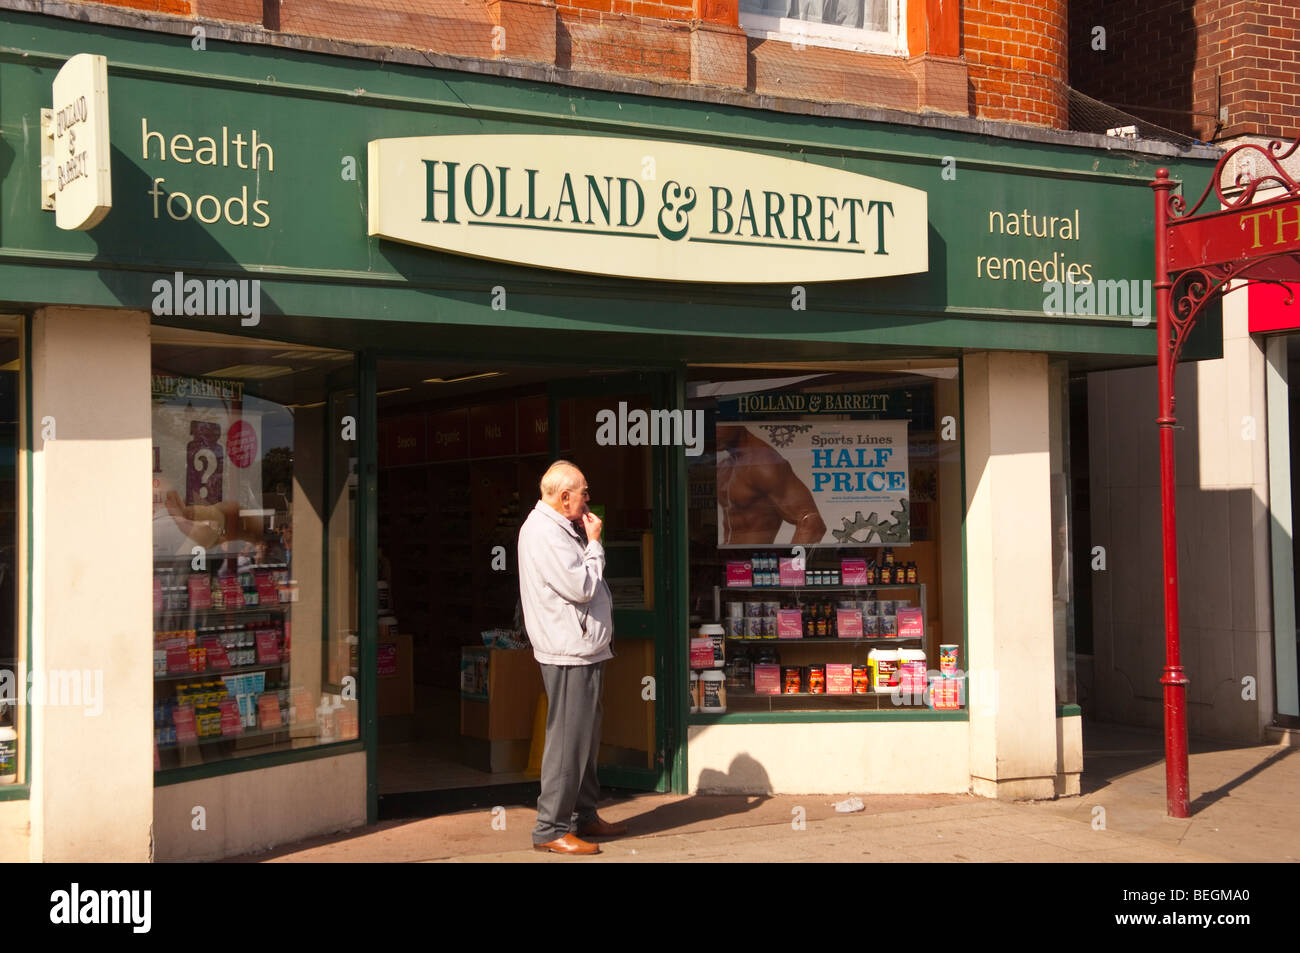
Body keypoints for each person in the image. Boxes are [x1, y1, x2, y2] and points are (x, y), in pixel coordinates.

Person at [517, 460, 626, 855]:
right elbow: (581, 587)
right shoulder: (545, 532)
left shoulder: (559, 527)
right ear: (565, 498)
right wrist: (595, 542)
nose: (587, 499)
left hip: (581, 647)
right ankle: (551, 828)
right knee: (568, 740)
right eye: (583, 492)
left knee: (584, 737)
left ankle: (584, 815)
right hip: (568, 650)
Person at [716, 424, 827, 545]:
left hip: (757, 561)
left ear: (736, 422)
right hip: (728, 561)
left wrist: (790, 564)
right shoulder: (724, 466)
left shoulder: (763, 463)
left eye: (718, 425)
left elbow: (812, 523)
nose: (712, 432)